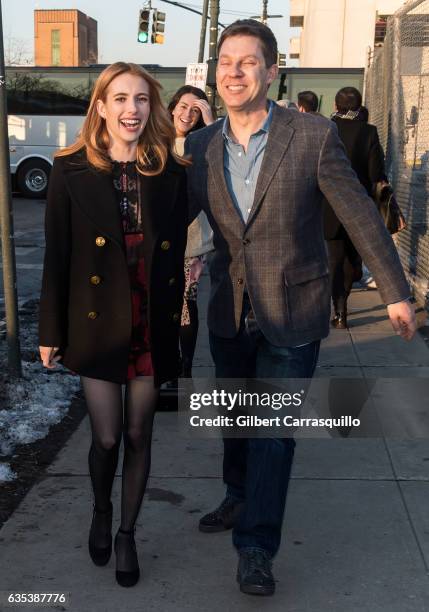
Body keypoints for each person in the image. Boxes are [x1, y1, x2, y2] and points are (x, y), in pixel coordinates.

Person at [185, 20, 415, 597]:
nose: (233, 72)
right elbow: (173, 223)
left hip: (296, 311)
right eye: (226, 62)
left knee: (272, 431)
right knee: (237, 423)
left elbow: (359, 211)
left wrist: (393, 290)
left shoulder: (311, 136)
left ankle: (257, 547)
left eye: (247, 62)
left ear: (271, 71)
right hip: (228, 309)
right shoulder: (200, 146)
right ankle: (238, 498)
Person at [38, 62, 188, 588]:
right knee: (105, 438)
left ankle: (126, 533)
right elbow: (57, 255)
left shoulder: (170, 172)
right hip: (97, 323)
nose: (132, 109)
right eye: (120, 98)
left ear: (153, 108)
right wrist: (49, 330)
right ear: (100, 106)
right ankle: (101, 508)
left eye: (142, 99)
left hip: (149, 319)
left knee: (138, 432)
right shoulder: (70, 168)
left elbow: (181, 251)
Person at [323, 87, 387, 328]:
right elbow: (376, 173)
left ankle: (338, 308)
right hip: (359, 205)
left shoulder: (326, 129)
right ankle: (343, 307)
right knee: (351, 260)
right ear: (359, 106)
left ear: (336, 106)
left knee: (334, 259)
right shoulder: (369, 132)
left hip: (328, 205)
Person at [167, 86, 215, 377]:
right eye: (183, 106)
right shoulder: (155, 141)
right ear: (172, 107)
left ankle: (185, 368)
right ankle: (167, 360)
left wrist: (212, 124)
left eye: (195, 110)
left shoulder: (205, 142)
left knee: (186, 301)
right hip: (158, 236)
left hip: (192, 239)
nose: (187, 114)